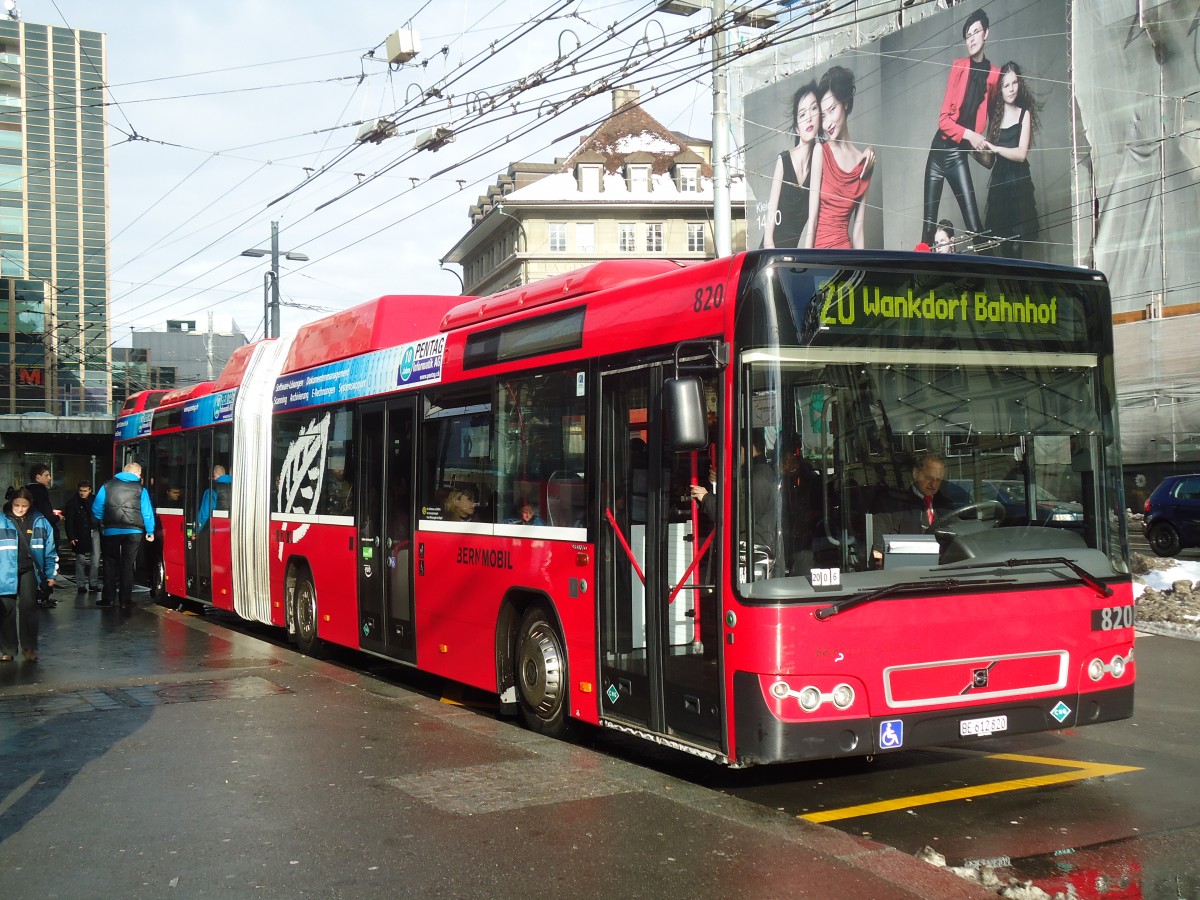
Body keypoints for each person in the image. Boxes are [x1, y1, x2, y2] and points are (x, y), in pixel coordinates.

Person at [919, 9, 1001, 248]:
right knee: (927, 226)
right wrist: (971, 135)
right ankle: (920, 280)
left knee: (975, 226)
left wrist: (987, 144)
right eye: (968, 35)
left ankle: (989, 280)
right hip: (938, 152)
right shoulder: (959, 66)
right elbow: (943, 121)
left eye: (976, 32)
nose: (972, 38)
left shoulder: (995, 75)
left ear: (986, 33)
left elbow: (995, 115)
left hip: (957, 154)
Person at [981, 61, 1040, 259]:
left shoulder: (1025, 114)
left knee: (1016, 242)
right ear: (1000, 89)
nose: (1011, 89)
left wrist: (996, 148)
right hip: (1000, 182)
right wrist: (974, 152)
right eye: (1006, 85)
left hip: (1018, 181)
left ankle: (1020, 286)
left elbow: (1021, 153)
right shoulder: (995, 118)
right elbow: (990, 162)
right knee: (1004, 243)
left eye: (1014, 83)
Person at [813, 65, 875, 250]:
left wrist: (861, 273)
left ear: (845, 103)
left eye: (832, 110)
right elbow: (813, 218)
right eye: (823, 116)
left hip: (844, 255)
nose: (827, 123)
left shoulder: (863, 162)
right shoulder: (820, 151)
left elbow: (858, 230)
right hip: (818, 257)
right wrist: (804, 265)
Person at [0, 488, 58, 663]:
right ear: (11, 503)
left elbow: (50, 551)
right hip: (4, 571)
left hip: (29, 570)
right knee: (5, 610)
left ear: (30, 504)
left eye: (23, 506)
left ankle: (29, 648)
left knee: (29, 608)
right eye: (16, 505)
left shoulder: (40, 522)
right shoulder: (2, 521)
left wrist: (51, 575)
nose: (19, 508)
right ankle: (7, 649)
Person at [763, 81, 823, 249]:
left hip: (795, 255)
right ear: (797, 128)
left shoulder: (819, 161)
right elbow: (769, 223)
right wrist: (772, 255)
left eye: (814, 108)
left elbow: (813, 218)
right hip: (771, 249)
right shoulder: (783, 160)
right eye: (802, 114)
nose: (809, 118)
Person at [872, 451, 959, 563]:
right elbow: (877, 539)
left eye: (938, 480)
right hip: (907, 569)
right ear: (916, 473)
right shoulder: (894, 505)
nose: (933, 484)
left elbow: (960, 535)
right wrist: (878, 556)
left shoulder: (946, 507)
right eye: (929, 478)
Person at [92, 461, 156, 610]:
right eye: (140, 474)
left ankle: (108, 599)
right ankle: (125, 600)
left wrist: (103, 520)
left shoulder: (107, 485)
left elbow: (97, 507)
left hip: (111, 530)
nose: (141, 477)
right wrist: (150, 531)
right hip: (134, 531)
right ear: (135, 473)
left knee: (109, 563)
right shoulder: (141, 489)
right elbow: (147, 512)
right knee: (127, 565)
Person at [25, 463, 61, 608]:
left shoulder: (28, 491)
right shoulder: (40, 492)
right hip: (44, 532)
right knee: (46, 560)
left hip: (32, 532)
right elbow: (47, 516)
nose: (50, 478)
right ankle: (43, 595)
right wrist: (58, 518)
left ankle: (39, 594)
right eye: (46, 475)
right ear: (37, 477)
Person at [64, 480, 101, 594]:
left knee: (95, 559)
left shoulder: (94, 500)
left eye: (85, 491)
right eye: (81, 490)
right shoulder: (73, 503)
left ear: (89, 490)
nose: (82, 493)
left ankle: (92, 583)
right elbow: (69, 522)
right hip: (81, 532)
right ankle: (82, 584)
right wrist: (71, 536)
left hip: (93, 531)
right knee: (81, 559)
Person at [195, 465, 232, 532]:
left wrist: (196, 530)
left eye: (213, 476)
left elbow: (205, 514)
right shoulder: (236, 487)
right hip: (232, 527)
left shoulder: (212, 490)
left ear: (216, 475)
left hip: (216, 528)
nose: (210, 479)